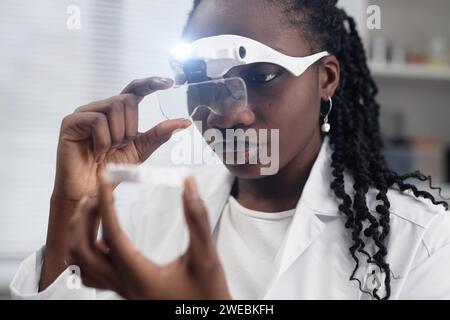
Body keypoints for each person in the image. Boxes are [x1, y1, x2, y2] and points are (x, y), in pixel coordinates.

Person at [10, 0, 450, 300]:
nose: (229, 114)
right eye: (205, 84)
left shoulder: (420, 241)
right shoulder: (149, 213)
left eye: (261, 77)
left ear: (326, 78)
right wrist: (71, 204)